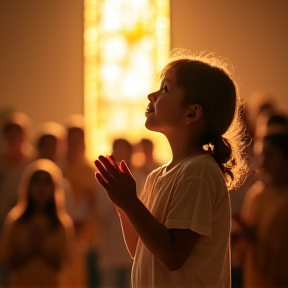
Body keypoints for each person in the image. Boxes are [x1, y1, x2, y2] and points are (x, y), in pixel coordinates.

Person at [94, 50, 249, 288]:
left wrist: (131, 203)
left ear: (192, 113)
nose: (151, 95)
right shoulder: (159, 175)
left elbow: (173, 255)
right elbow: (141, 249)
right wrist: (123, 207)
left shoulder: (199, 171)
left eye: (165, 89)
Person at [0, 159, 75, 288]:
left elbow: (62, 264)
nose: (41, 187)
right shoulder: (16, 220)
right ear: (27, 186)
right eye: (36, 181)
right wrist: (30, 250)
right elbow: (9, 262)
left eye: (47, 182)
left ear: (54, 188)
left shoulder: (60, 223)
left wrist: (40, 250)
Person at [234, 112, 288, 287]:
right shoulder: (256, 194)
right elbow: (244, 253)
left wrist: (254, 240)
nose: (262, 163)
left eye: (269, 155)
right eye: (260, 156)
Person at [60, 114, 99, 288]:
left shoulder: (92, 171)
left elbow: (96, 207)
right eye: (71, 139)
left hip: (85, 240)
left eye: (79, 139)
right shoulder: (57, 169)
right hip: (60, 237)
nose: (75, 144)